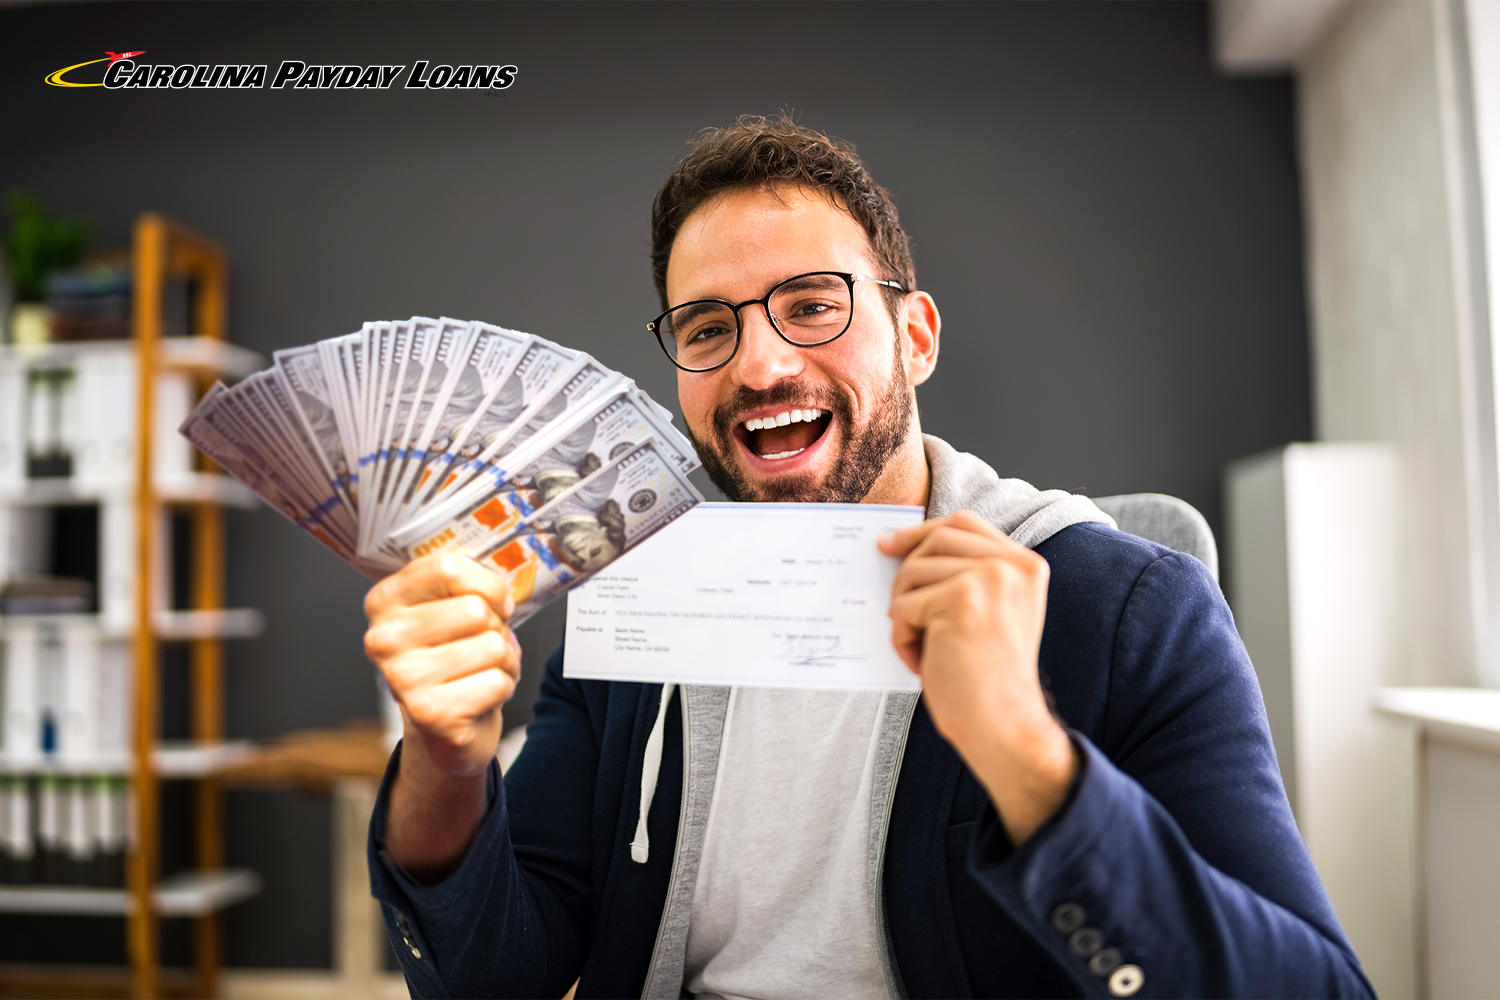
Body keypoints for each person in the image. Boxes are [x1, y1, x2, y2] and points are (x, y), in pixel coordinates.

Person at [363, 115, 1375, 999]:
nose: (762, 364)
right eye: (708, 328)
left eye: (813, 305)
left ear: (915, 336)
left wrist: (1030, 756)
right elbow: (498, 975)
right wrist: (446, 765)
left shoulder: (1130, 607)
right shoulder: (638, 606)